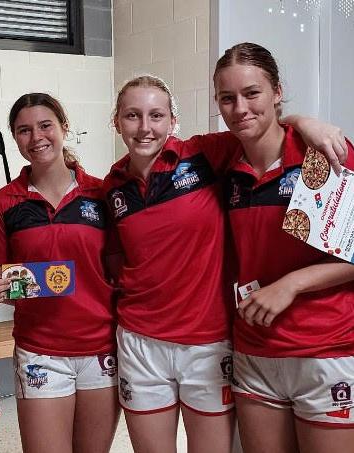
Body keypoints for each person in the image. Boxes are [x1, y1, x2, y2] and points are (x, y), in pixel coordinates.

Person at [103, 74, 348, 453]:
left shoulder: (205, 154)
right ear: (116, 122)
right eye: (133, 116)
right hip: (139, 340)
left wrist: (305, 122)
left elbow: (258, 125)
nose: (145, 127)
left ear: (173, 121)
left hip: (209, 339)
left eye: (156, 115)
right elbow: (117, 255)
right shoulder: (112, 185)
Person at [214, 42, 354, 453]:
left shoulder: (325, 155)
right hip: (255, 350)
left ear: (277, 91)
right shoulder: (226, 166)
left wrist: (293, 283)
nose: (239, 108)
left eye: (252, 93)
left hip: (325, 347)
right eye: (227, 98)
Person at [0, 93, 119, 453]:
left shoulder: (101, 193)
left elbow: (119, 267)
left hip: (99, 348)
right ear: (14, 137)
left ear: (63, 127)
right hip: (41, 351)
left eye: (45, 126)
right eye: (24, 130)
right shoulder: (5, 201)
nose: (36, 137)